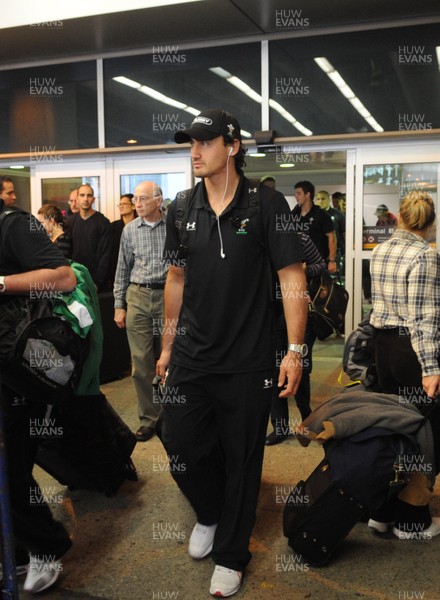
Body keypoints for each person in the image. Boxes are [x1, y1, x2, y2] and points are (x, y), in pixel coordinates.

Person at [156, 108, 308, 597]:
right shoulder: (181, 207)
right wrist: (167, 344)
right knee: (178, 442)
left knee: (243, 458)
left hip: (248, 359)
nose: (195, 152)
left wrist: (295, 351)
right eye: (190, 144)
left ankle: (231, 553)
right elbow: (176, 279)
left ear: (233, 146)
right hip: (192, 356)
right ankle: (211, 511)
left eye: (205, 142)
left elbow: (291, 278)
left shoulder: (267, 204)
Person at [0, 187, 77, 593]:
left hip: (17, 371)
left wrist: (1, 283)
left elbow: (63, 277)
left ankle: (45, 548)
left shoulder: (14, 224)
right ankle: (18, 552)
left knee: (11, 470)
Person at [369, 190, 440, 539]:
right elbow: (423, 320)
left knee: (394, 428)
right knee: (427, 433)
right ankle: (412, 519)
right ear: (430, 223)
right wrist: (430, 369)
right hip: (411, 352)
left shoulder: (380, 251)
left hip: (384, 349)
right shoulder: (425, 257)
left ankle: (381, 511)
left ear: (399, 216)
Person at [113, 182, 166, 442]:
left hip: (168, 296)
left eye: (143, 199)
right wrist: (118, 306)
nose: (137, 204)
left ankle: (172, 416)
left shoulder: (175, 228)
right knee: (142, 363)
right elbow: (122, 269)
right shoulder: (130, 230)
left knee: (171, 360)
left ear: (159, 200)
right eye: (135, 199)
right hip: (138, 295)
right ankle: (149, 419)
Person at [266, 233, 326, 445]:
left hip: (300, 311)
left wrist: (304, 270)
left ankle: (307, 419)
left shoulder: (299, 238)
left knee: (301, 367)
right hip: (271, 313)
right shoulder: (262, 239)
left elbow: (321, 265)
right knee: (274, 370)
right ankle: (280, 427)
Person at [68, 184, 113, 292]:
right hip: (75, 281)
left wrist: (96, 282)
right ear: (77, 198)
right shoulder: (70, 222)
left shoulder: (103, 222)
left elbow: (106, 255)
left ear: (93, 199)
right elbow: (68, 252)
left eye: (89, 195)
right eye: (82, 195)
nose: (85, 199)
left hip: (98, 283)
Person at [292, 180, 337, 273]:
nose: (295, 196)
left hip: (317, 262)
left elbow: (331, 237)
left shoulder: (321, 215)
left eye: (299, 193)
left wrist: (332, 261)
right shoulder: (294, 214)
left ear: (307, 194)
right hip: (299, 261)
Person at [110, 193, 137, 283]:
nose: (121, 206)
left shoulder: (140, 225)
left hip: (137, 270)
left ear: (133, 206)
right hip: (117, 268)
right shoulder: (113, 227)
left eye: (124, 204)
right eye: (120, 204)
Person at [315, 190, 345, 268]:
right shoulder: (313, 215)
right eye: (318, 199)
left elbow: (344, 234)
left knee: (334, 277)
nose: (320, 201)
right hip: (317, 253)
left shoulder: (337, 214)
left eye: (323, 199)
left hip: (335, 253)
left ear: (328, 200)